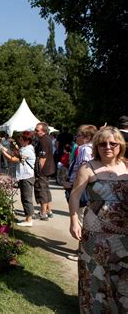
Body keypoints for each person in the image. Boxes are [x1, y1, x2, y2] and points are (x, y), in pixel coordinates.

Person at [69, 126, 127, 312]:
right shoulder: (88, 167)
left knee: (122, 273)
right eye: (102, 143)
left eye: (112, 143)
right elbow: (75, 196)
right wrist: (73, 220)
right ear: (96, 146)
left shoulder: (126, 166)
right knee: (93, 272)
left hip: (124, 232)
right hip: (94, 231)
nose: (107, 147)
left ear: (121, 145)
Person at [63, 124, 97, 261]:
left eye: (78, 135)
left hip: (79, 187)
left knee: (81, 219)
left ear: (87, 137)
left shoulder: (84, 149)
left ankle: (83, 252)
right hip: (81, 186)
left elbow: (83, 169)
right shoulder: (89, 149)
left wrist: (71, 183)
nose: (76, 137)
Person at [0, 131, 36, 226]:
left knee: (27, 198)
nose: (19, 140)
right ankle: (27, 218)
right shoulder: (24, 148)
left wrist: (2, 151)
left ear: (27, 140)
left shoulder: (27, 150)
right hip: (24, 176)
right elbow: (13, 154)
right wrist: (3, 148)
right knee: (24, 197)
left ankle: (29, 220)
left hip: (27, 176)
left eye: (21, 139)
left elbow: (13, 159)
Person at [33, 122, 56, 220]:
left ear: (43, 131)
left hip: (43, 170)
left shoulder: (43, 141)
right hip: (48, 169)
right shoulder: (47, 139)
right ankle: (48, 210)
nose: (35, 132)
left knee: (41, 190)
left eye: (37, 130)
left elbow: (43, 158)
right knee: (46, 189)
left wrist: (38, 171)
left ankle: (43, 213)